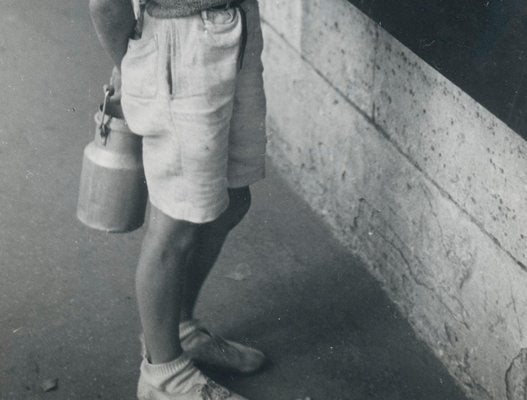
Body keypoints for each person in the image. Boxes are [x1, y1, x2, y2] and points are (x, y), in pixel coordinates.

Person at [88, 0, 267, 398]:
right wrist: (135, 67)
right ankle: (163, 375)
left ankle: (181, 329)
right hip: (178, 43)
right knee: (177, 225)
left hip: (235, 26)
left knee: (231, 200)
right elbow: (104, 4)